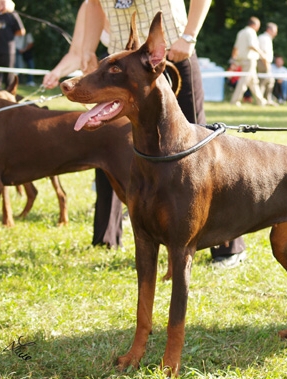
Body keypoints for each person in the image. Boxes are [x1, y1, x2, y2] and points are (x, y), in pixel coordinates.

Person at [43, 0, 247, 268]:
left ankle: (228, 247)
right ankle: (106, 238)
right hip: (121, 62)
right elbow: (94, 4)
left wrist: (189, 35)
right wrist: (87, 50)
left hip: (173, 53)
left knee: (199, 148)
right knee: (110, 143)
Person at [230, 16, 267, 107]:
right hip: (249, 60)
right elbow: (252, 45)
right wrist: (262, 55)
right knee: (244, 81)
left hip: (241, 59)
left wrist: (234, 59)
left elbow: (236, 47)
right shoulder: (251, 32)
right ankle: (235, 100)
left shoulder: (241, 32)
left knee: (253, 82)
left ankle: (261, 101)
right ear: (255, 25)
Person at [0, 0, 25, 89]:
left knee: (8, 76)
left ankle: (9, 97)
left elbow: (21, 31)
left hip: (7, 51)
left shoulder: (12, 15)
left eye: (3, 2)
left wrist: (8, 35)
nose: (1, 4)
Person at [257, 22, 278, 105]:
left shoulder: (265, 38)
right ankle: (261, 100)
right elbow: (264, 53)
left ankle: (267, 99)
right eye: (275, 31)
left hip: (264, 62)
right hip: (263, 62)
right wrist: (266, 64)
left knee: (269, 81)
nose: (276, 33)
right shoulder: (265, 38)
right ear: (269, 30)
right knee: (263, 82)